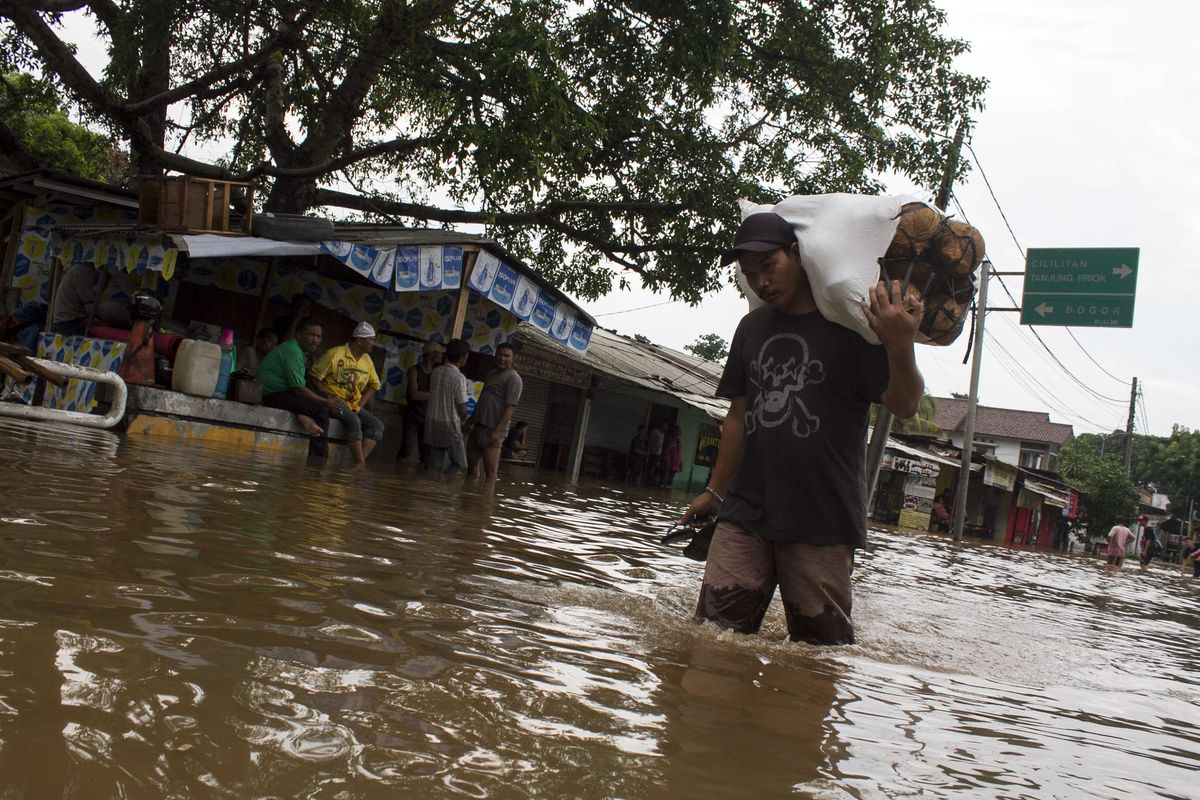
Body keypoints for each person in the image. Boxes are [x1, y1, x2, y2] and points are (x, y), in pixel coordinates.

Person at [678, 211, 925, 646]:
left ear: (797, 254)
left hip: (823, 521)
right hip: (746, 513)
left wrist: (900, 345)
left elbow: (904, 405)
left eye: (768, 267)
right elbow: (738, 416)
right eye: (750, 274)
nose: (761, 283)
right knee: (713, 643)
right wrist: (715, 493)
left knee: (818, 657)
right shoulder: (751, 328)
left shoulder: (854, 330)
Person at [258, 317, 339, 456]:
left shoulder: (298, 350)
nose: (315, 340)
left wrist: (325, 399)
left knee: (323, 399)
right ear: (299, 334)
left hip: (285, 392)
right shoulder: (293, 352)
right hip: (271, 394)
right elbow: (298, 389)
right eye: (311, 335)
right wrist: (326, 402)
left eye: (318, 336)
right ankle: (318, 458)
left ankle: (305, 417)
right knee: (321, 409)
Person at [309, 321, 384, 465]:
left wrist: (362, 401)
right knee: (354, 421)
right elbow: (314, 376)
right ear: (360, 340)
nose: (373, 343)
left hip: (353, 404)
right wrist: (327, 395)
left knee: (377, 426)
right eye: (371, 339)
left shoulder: (367, 360)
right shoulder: (335, 354)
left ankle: (357, 463)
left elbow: (375, 385)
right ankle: (360, 465)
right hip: (335, 402)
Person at [466, 341, 523, 479]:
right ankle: (470, 499)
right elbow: (482, 400)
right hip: (478, 427)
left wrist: (497, 431)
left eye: (506, 355)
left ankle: (486, 499)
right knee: (471, 469)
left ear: (513, 358)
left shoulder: (514, 379)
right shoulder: (491, 373)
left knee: (490, 473)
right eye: (499, 355)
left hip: (493, 430)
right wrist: (470, 421)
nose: (502, 358)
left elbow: (510, 407)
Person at [424, 338, 472, 472]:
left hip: (432, 422)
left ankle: (432, 488)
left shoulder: (436, 371)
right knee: (460, 464)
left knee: (434, 466)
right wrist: (465, 420)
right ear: (462, 358)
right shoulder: (459, 377)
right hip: (450, 425)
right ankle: (446, 490)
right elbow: (462, 408)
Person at [400, 341, 445, 464]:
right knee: (405, 450)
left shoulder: (438, 373)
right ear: (431, 354)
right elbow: (414, 395)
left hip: (428, 417)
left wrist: (427, 395)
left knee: (426, 455)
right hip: (412, 415)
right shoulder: (414, 370)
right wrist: (434, 395)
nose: (442, 356)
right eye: (439, 353)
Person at [647, 422, 666, 486]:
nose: (665, 427)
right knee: (651, 468)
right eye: (664, 425)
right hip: (652, 452)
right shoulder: (655, 431)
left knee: (656, 468)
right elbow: (650, 440)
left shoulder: (663, 434)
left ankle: (654, 482)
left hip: (658, 454)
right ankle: (649, 480)